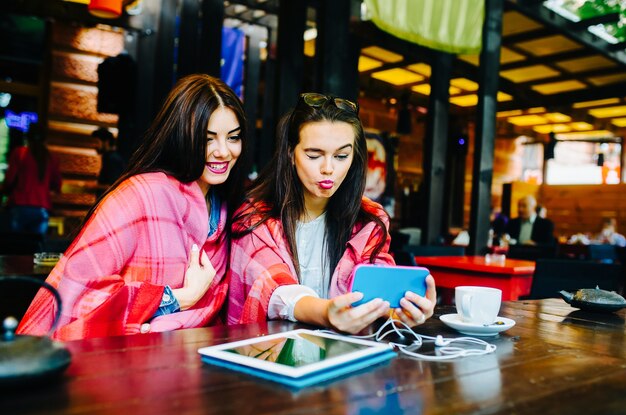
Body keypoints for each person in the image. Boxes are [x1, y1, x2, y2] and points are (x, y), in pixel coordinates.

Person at [18, 74, 248, 340]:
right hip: (121, 360)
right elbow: (79, 291)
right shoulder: (142, 195)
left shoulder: (230, 211)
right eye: (207, 139)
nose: (223, 151)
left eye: (233, 137)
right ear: (181, 136)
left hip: (196, 360)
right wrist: (178, 298)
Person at [227, 92, 436, 334]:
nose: (328, 169)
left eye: (341, 156)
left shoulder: (368, 219)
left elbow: (376, 288)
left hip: (343, 356)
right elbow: (271, 286)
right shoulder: (256, 216)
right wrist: (327, 314)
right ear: (290, 154)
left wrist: (400, 311)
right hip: (268, 353)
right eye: (314, 155)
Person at [0, 124, 62, 235]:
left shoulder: (20, 153)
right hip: (42, 208)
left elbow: (9, 180)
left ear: (27, 137)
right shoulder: (51, 158)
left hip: (19, 206)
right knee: (35, 247)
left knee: (15, 246)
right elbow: (57, 185)